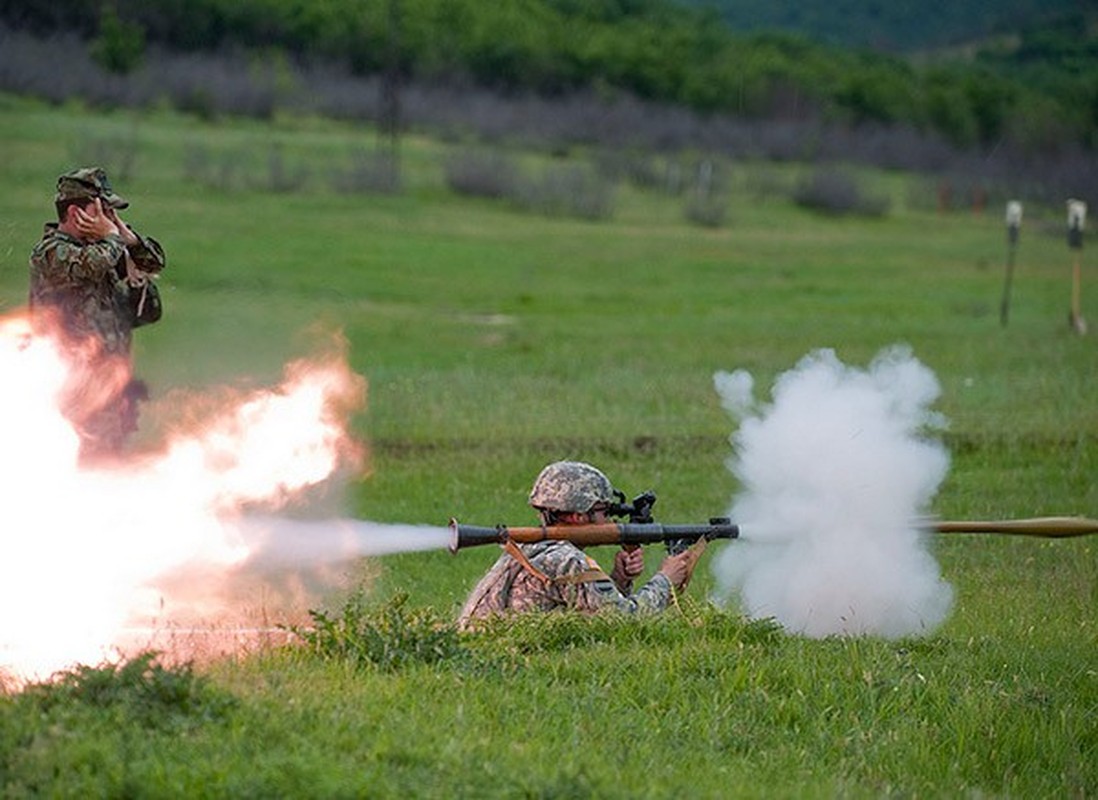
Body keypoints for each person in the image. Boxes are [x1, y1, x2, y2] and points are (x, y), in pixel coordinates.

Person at [457, 460, 705, 629]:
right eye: (604, 510)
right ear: (578, 515)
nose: (609, 520)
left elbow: (586, 614)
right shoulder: (566, 560)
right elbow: (624, 623)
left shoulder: (529, 547)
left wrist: (619, 580)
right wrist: (666, 579)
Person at [29, 167, 166, 461]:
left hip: (110, 395)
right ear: (77, 212)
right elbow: (93, 264)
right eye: (102, 209)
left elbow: (153, 269)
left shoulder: (105, 249)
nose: (109, 218)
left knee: (107, 477)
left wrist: (128, 240)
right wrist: (112, 238)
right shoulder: (53, 252)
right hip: (74, 397)